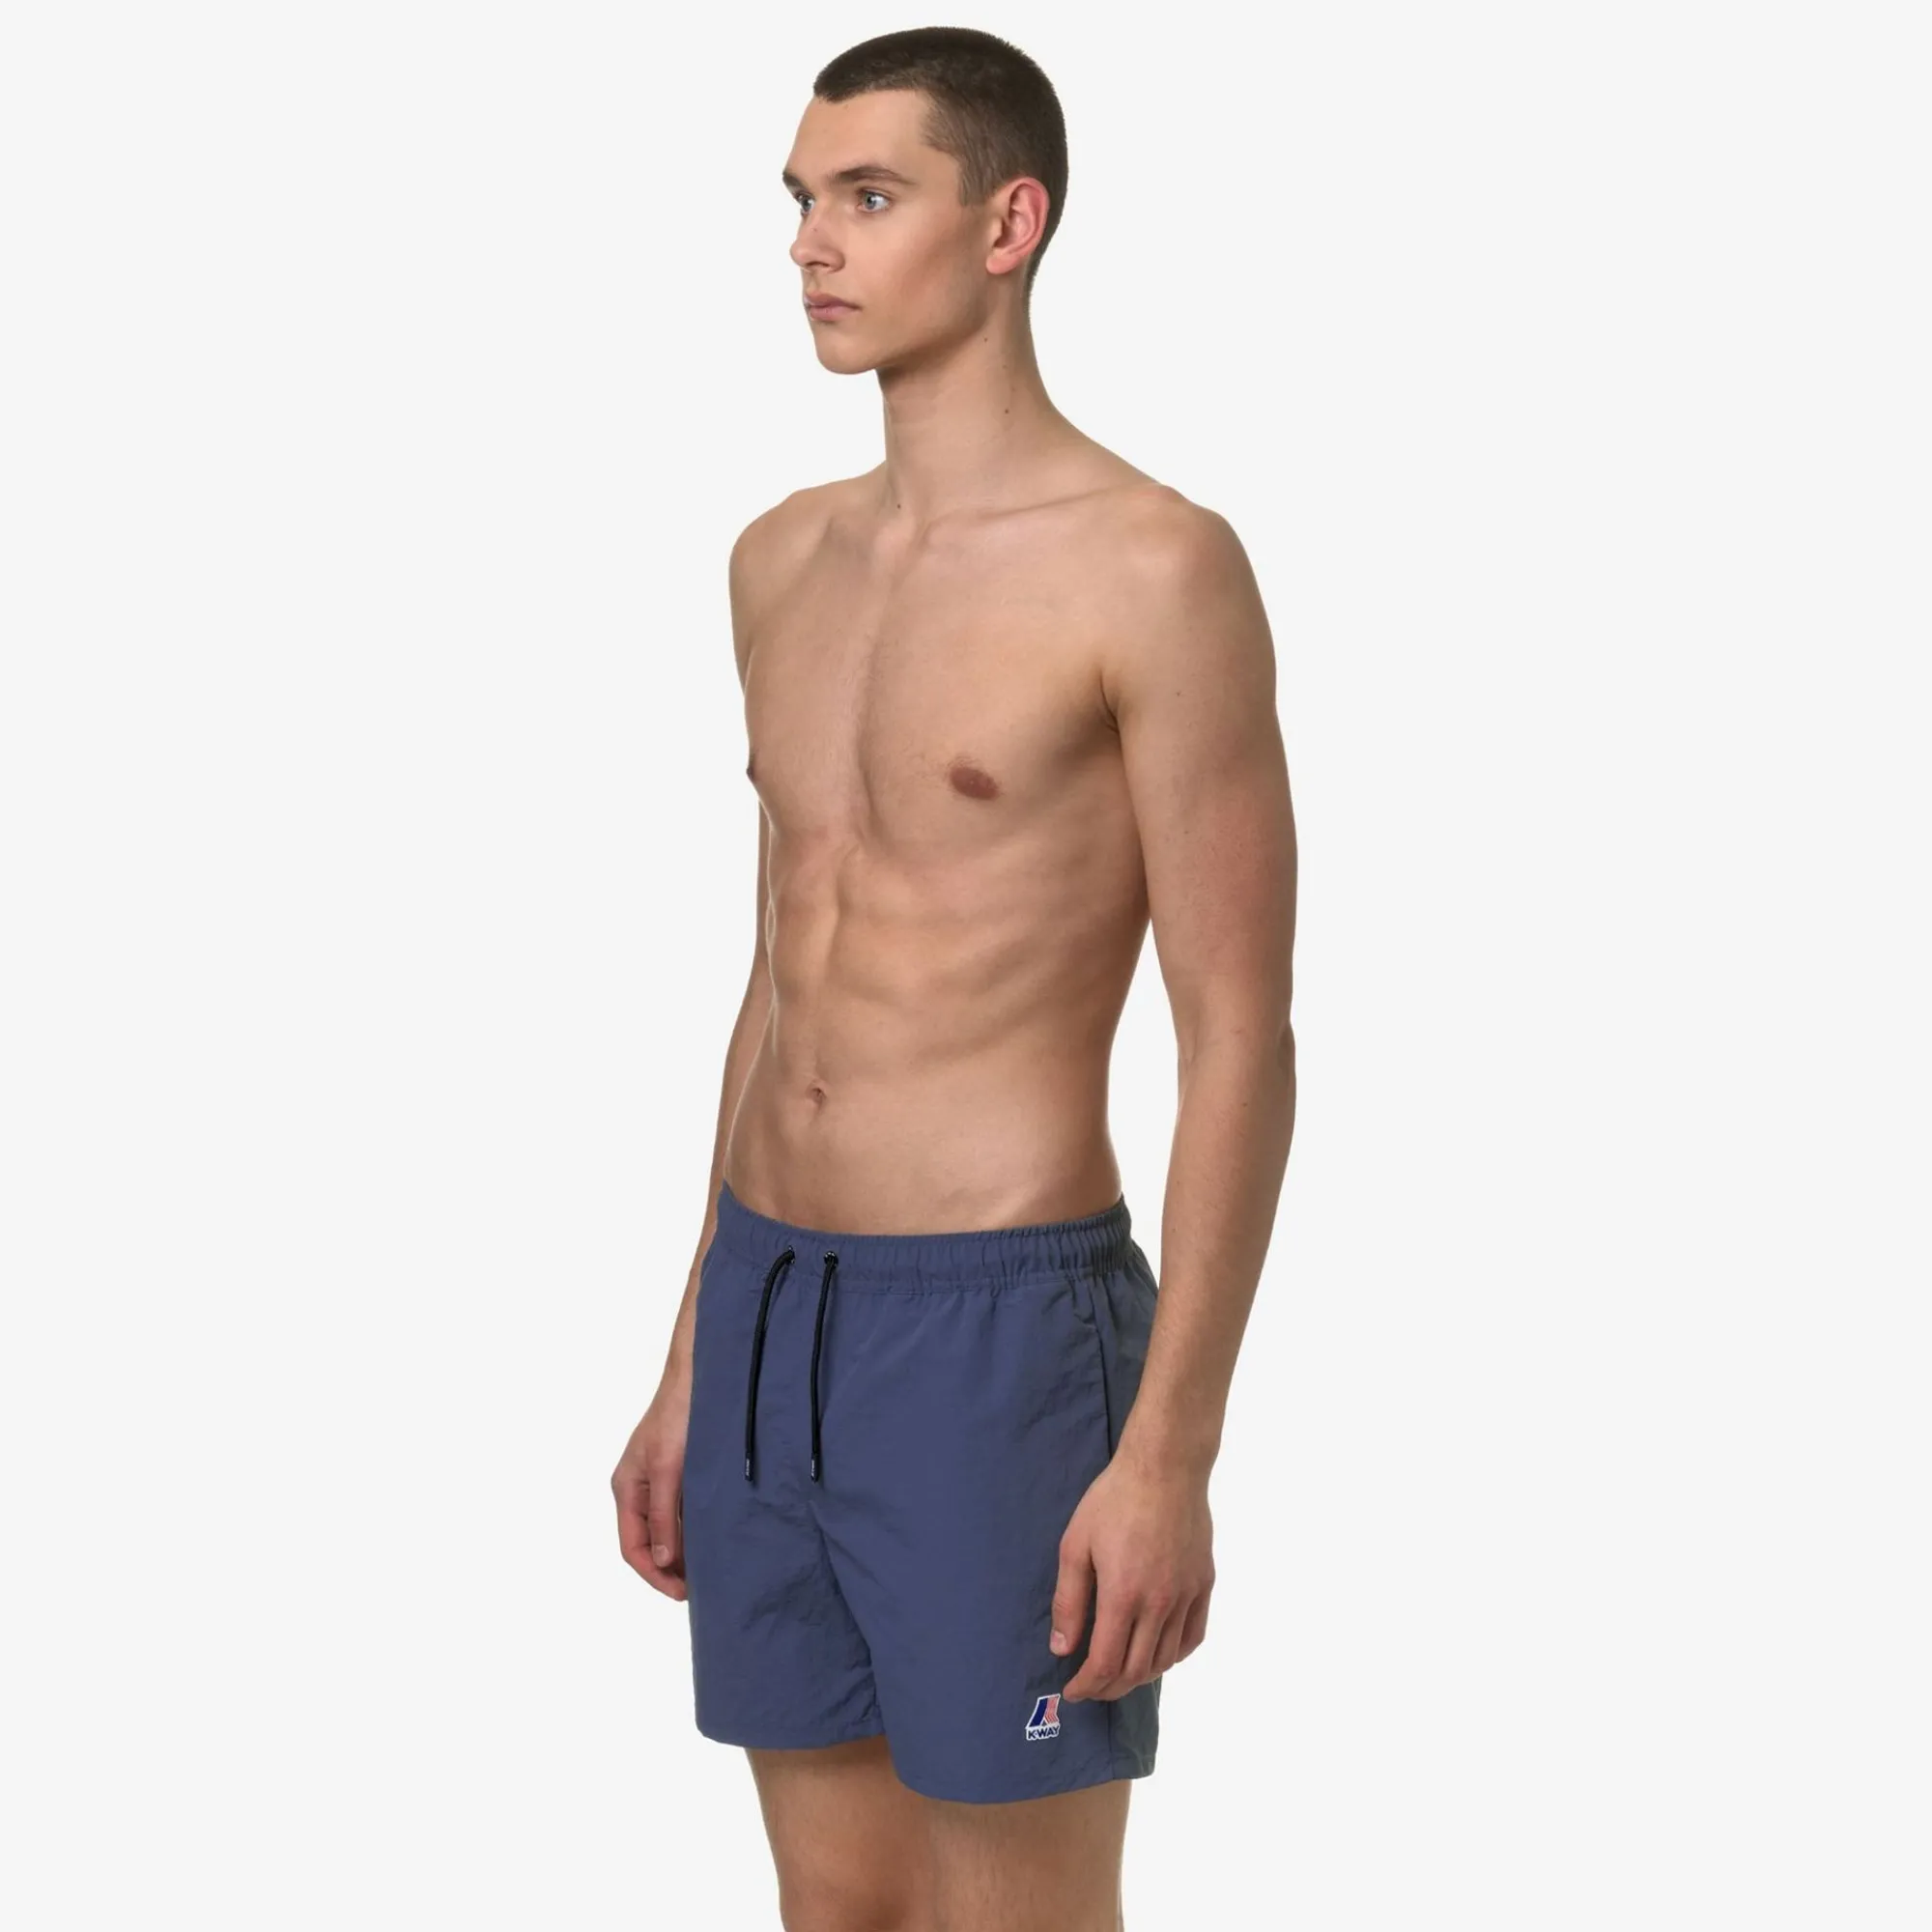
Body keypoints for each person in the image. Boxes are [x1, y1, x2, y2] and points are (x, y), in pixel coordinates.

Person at [611, 25, 1296, 1931]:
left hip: (999, 1335)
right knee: (835, 1909)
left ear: (1009, 224)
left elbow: (1239, 1034)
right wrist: (694, 1352)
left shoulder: (1152, 568)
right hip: (773, 1301)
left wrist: (1168, 1450)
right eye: (800, 201)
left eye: (868, 195)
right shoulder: (779, 561)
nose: (811, 244)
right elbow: (782, 974)